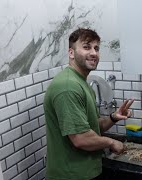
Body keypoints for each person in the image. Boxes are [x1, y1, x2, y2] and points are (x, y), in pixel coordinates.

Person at [44, 28, 134, 180]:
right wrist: (111, 142)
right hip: (71, 175)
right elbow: (81, 139)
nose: (94, 53)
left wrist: (113, 117)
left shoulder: (82, 83)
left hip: (85, 171)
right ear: (71, 53)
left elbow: (93, 126)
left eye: (96, 48)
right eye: (86, 47)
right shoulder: (68, 87)